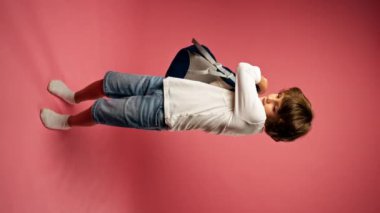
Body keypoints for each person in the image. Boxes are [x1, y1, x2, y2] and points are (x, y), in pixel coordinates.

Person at [40, 62, 313, 142]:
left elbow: (244, 69)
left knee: (103, 110)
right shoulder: (250, 102)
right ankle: (72, 96)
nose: (270, 99)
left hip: (165, 112)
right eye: (277, 96)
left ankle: (66, 122)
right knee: (110, 82)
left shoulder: (255, 119)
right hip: (169, 87)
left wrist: (261, 80)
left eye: (275, 107)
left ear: (275, 126)